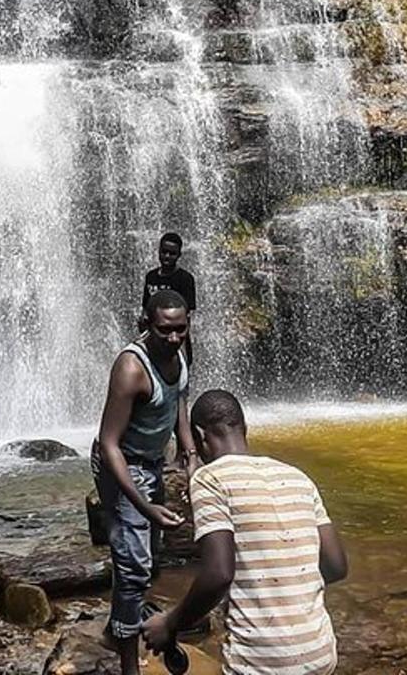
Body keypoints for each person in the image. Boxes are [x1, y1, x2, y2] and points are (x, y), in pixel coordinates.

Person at [142, 389, 348, 675]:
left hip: (262, 662)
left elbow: (218, 575)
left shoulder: (209, 478)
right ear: (245, 429)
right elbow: (337, 567)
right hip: (321, 654)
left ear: (200, 436)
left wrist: (169, 623)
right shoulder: (297, 477)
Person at [94, 288, 199, 675]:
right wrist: (143, 504)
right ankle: (127, 665)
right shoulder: (131, 368)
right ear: (146, 324)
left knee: (148, 559)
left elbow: (179, 406)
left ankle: (113, 628)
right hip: (121, 462)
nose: (173, 338)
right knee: (135, 565)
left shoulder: (179, 352)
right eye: (164, 330)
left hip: (152, 461)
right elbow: (108, 444)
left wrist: (189, 456)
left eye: (180, 329)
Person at [139, 233, 196, 366]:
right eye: (164, 252)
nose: (167, 256)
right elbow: (146, 307)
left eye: (172, 253)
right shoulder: (151, 276)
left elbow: (188, 314)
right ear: (158, 251)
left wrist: (182, 340)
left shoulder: (185, 278)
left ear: (179, 255)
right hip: (153, 335)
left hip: (175, 336)